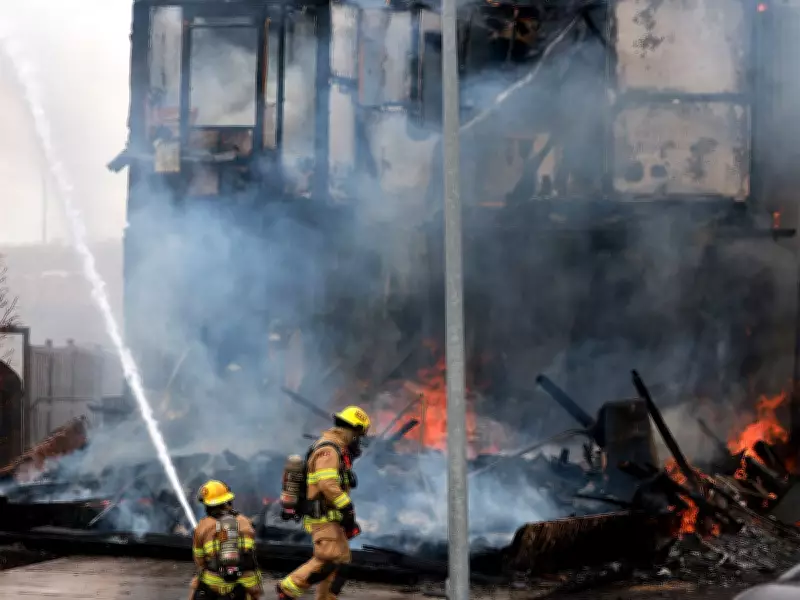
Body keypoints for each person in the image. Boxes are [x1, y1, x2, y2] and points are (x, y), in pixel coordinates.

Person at [277, 406, 371, 600]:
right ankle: (287, 588)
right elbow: (327, 483)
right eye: (358, 435)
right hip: (322, 516)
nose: (358, 441)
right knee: (329, 558)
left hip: (331, 517)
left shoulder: (337, 449)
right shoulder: (329, 449)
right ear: (350, 431)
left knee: (341, 561)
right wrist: (346, 505)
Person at [191, 480, 263, 600]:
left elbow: (199, 560)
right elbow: (250, 558)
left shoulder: (202, 527)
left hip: (212, 587)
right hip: (243, 586)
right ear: (228, 500)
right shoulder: (245, 522)